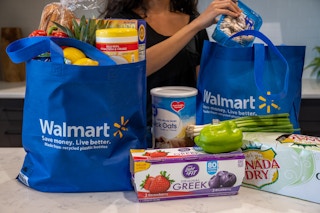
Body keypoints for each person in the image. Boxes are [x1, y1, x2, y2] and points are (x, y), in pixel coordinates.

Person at [102, 0, 241, 129]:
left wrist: (235, 40)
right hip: (137, 132)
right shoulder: (120, 22)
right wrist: (195, 25)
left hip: (186, 132)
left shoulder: (194, 21)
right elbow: (130, 70)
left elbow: (206, 86)